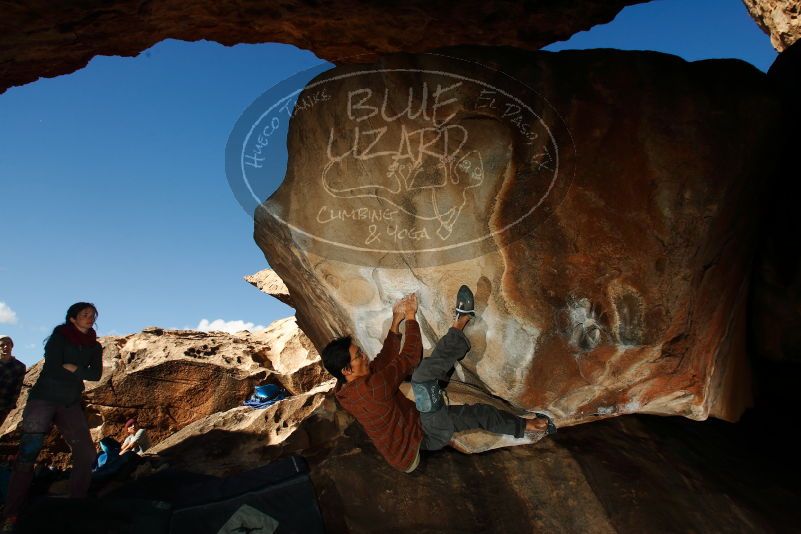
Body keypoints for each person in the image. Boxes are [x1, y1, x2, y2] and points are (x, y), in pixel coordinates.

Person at [321, 287, 555, 473]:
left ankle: (522, 424)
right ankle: (461, 322)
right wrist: (411, 317)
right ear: (346, 370)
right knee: (424, 380)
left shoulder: (346, 389)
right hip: (421, 438)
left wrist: (395, 323)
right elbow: (410, 358)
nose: (363, 354)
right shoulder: (370, 389)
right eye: (358, 355)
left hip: (411, 435)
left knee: (455, 402)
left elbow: (381, 364)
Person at [2, 303, 103, 531]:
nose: (89, 318)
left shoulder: (94, 347)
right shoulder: (59, 338)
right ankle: (11, 514)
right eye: (84, 314)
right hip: (43, 399)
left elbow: (95, 374)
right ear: (73, 318)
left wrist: (74, 369)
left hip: (69, 402)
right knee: (28, 453)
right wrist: (72, 368)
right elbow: (55, 367)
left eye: (92, 315)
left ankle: (76, 506)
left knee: (86, 454)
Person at [0, 336, 26, 428]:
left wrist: (10, 406)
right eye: (2, 345)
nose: (5, 347)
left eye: (8, 344)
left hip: (3, 406)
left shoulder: (19, 366)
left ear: (12, 346)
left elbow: (17, 388)